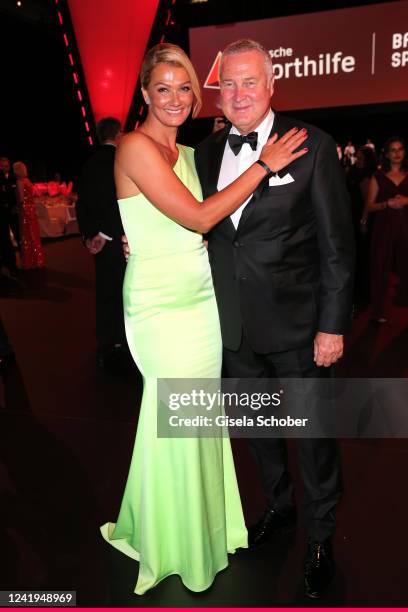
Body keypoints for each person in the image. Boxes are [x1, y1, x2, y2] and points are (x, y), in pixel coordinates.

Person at [101, 42, 308, 595]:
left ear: (196, 95)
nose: (174, 98)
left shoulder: (192, 155)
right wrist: (265, 165)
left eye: (184, 87)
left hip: (203, 303)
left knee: (193, 423)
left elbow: (204, 229)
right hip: (161, 307)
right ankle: (176, 543)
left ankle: (195, 530)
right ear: (145, 93)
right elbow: (196, 218)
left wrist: (137, 234)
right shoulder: (134, 146)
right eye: (162, 88)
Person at [194, 39, 355, 598]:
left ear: (271, 85)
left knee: (313, 438)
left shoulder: (312, 146)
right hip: (234, 331)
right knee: (259, 433)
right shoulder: (206, 154)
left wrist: (332, 325)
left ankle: (319, 537)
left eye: (249, 82)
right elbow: (200, 226)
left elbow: (338, 245)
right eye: (228, 84)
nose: (238, 94)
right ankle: (280, 509)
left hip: (300, 330)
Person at [76, 117, 128, 369]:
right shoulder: (121, 161)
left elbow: (82, 204)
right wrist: (105, 234)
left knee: (105, 293)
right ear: (118, 135)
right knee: (124, 292)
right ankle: (123, 346)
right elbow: (120, 203)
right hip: (118, 239)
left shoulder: (88, 164)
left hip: (98, 242)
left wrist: (89, 236)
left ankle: (106, 345)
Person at [364, 136, 408, 323]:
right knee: (380, 268)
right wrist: (387, 203)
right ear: (387, 154)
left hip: (406, 226)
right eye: (393, 150)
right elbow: (369, 206)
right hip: (384, 226)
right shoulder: (378, 176)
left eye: (400, 149)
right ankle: (377, 311)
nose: (397, 153)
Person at [13, 161, 45, 270]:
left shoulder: (19, 182)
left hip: (25, 210)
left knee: (26, 236)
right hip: (32, 209)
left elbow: (21, 199)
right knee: (34, 235)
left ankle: (29, 262)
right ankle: (38, 260)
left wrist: (16, 206)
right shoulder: (28, 181)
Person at [0, 156, 19, 276]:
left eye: (6, 166)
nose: (4, 169)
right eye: (2, 166)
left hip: (12, 212)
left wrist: (14, 206)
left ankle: (16, 263)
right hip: (2, 213)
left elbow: (15, 194)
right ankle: (10, 265)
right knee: (5, 239)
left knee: (16, 235)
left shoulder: (13, 178)